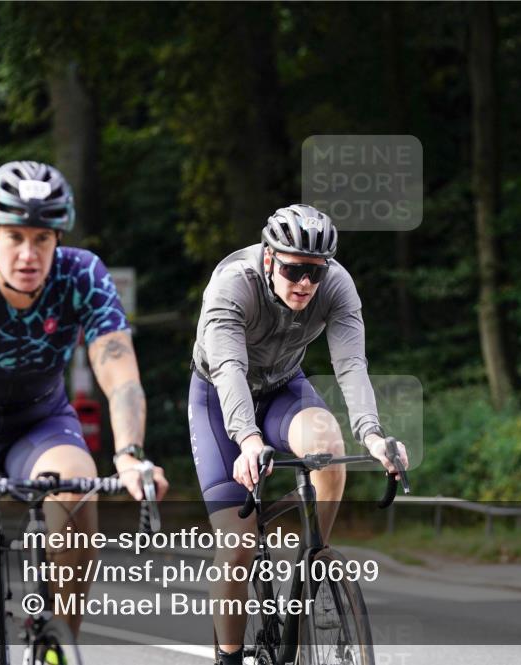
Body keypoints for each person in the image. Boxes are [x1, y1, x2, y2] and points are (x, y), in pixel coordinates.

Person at [0, 160, 168, 665]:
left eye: (42, 239)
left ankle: (55, 644)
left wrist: (130, 454)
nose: (29, 255)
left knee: (76, 483)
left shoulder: (81, 273)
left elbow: (119, 370)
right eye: (15, 238)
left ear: (57, 239)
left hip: (39, 421)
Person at [188, 204, 409, 665]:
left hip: (284, 386)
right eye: (293, 269)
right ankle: (229, 657)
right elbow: (229, 369)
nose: (305, 283)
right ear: (269, 258)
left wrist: (372, 435)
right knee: (238, 542)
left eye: (315, 272)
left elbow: (350, 364)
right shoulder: (232, 283)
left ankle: (313, 569)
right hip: (220, 398)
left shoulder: (336, 285)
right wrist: (248, 442)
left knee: (329, 446)